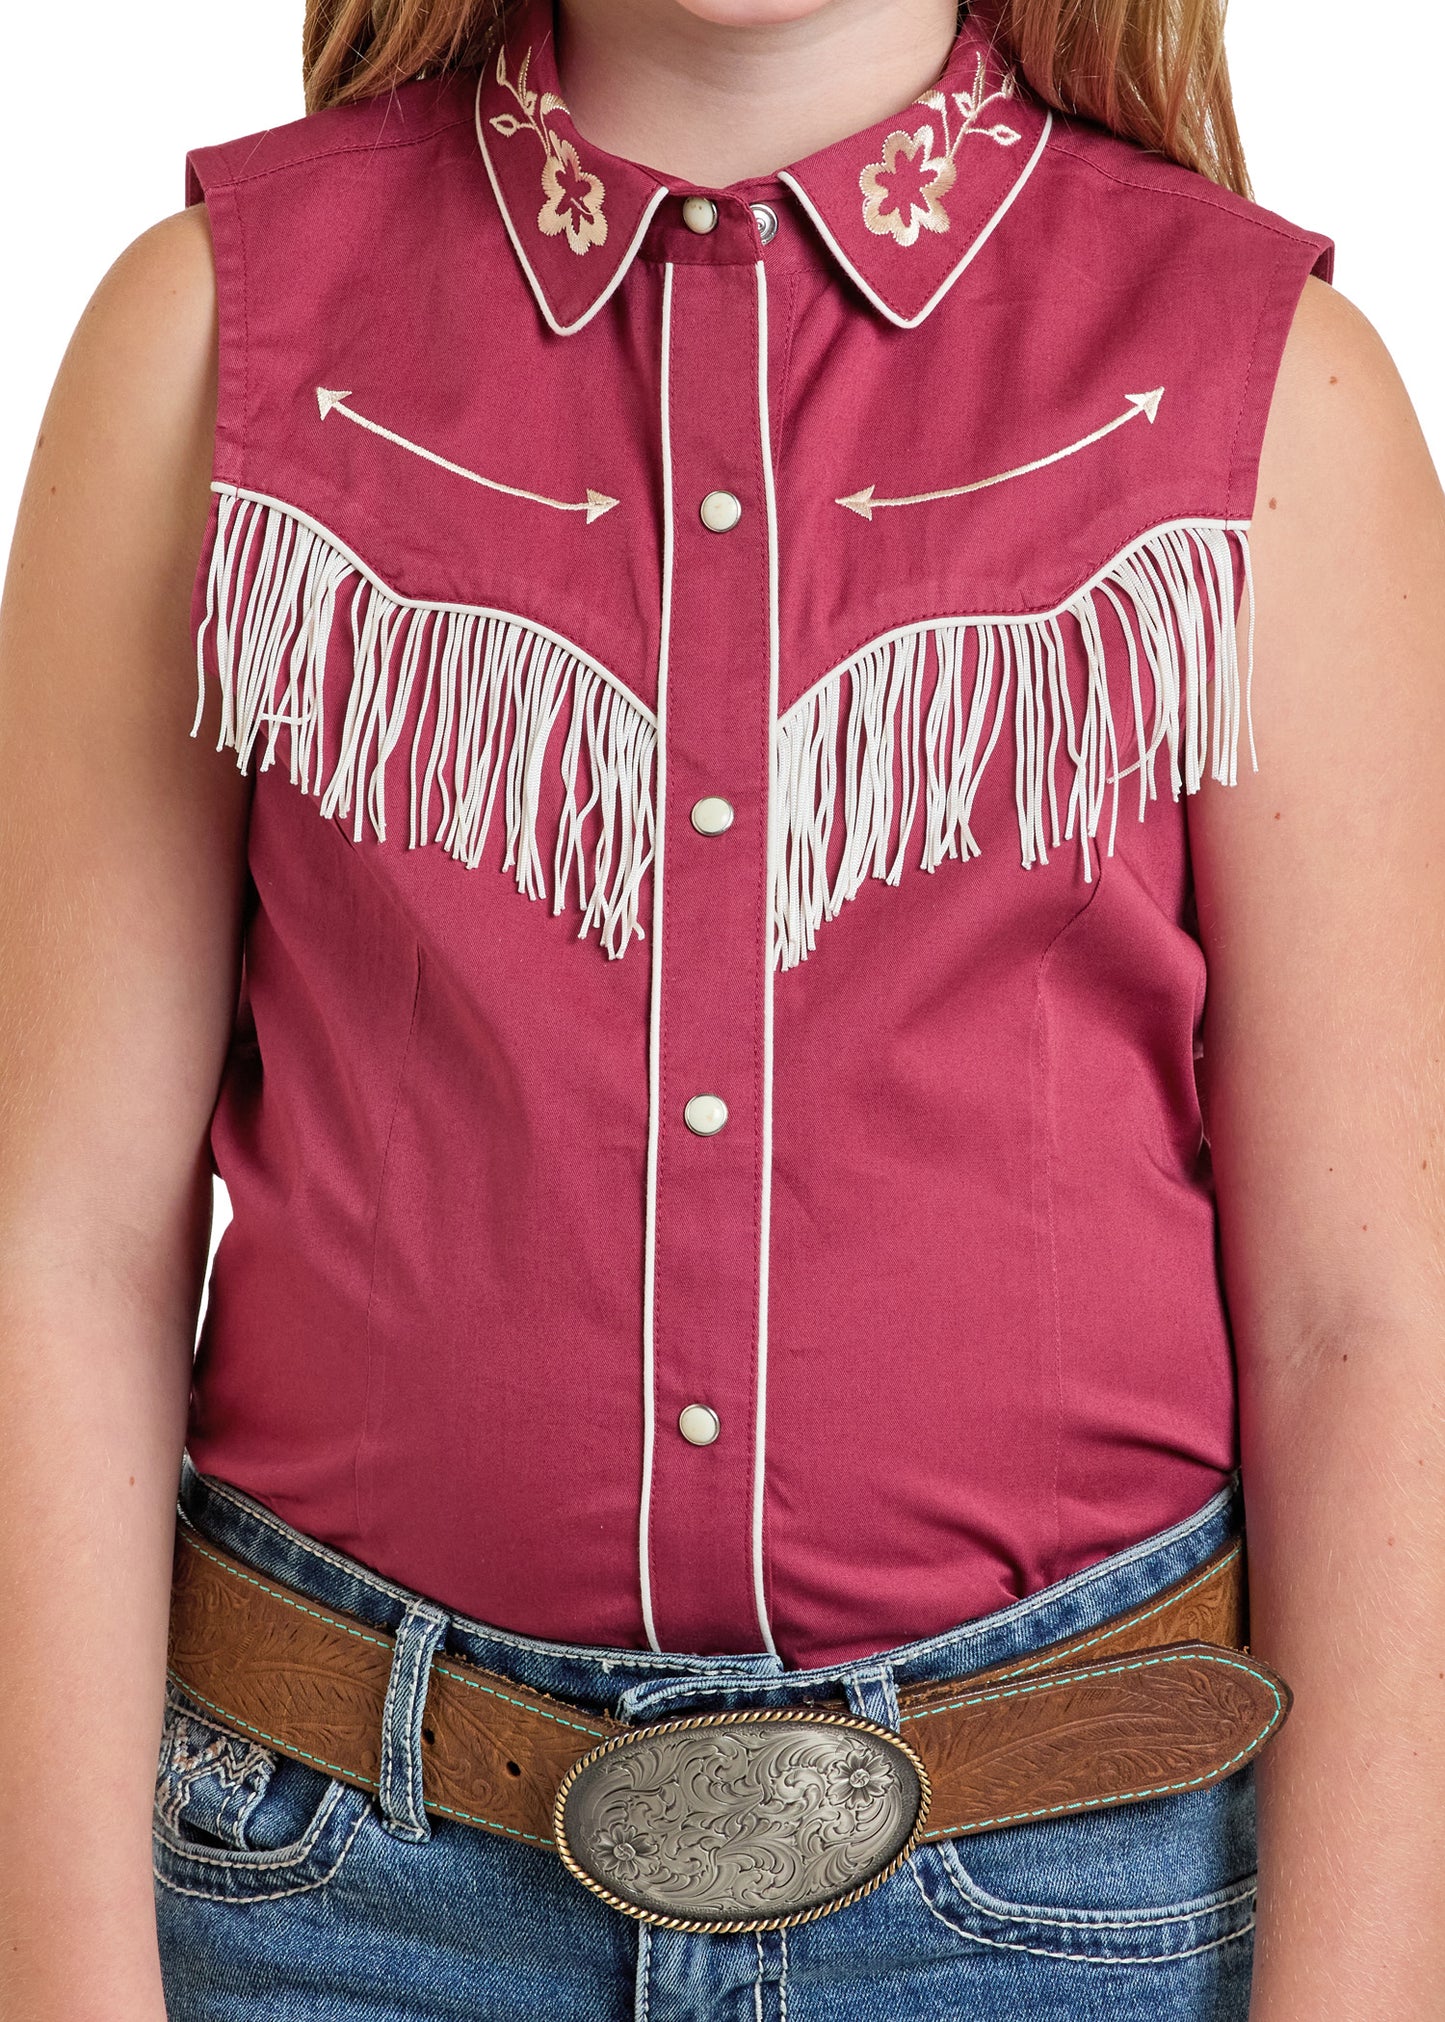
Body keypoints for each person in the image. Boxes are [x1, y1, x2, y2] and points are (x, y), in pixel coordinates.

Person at [1, 0, 1443, 2012]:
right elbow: (59, 1249)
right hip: (335, 1898)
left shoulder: (1267, 396)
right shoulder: (210, 344)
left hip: (1070, 1913)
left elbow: (1365, 1324)